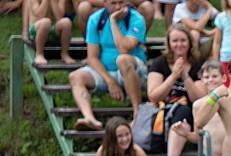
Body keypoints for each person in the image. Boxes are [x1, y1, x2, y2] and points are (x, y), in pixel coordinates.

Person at [69, 0, 149, 131]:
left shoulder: (136, 18)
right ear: (104, 3)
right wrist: (110, 80)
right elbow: (92, 57)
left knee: (122, 59)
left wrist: (113, 21)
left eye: (121, 2)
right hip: (107, 71)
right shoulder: (96, 19)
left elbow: (124, 49)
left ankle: (137, 113)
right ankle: (90, 118)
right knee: (75, 77)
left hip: (133, 70)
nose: (118, 7)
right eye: (113, 3)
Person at [146, 23, 206, 156]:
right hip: (162, 111)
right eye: (175, 41)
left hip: (189, 114)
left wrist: (185, 76)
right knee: (180, 110)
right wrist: (173, 76)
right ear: (169, 43)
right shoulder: (160, 63)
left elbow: (199, 98)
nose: (179, 44)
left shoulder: (196, 65)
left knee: (184, 110)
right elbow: (153, 95)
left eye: (183, 40)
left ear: (189, 43)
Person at [26, 0, 75, 66]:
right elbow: (39, 16)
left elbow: (59, 17)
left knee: (66, 22)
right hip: (36, 30)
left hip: (52, 29)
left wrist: (53, 1)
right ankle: (39, 54)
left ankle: (64, 54)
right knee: (46, 22)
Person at [77, 0, 153, 35]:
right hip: (99, 9)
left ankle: (138, 41)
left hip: (127, 8)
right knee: (83, 7)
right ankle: (90, 46)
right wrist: (107, 2)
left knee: (148, 6)